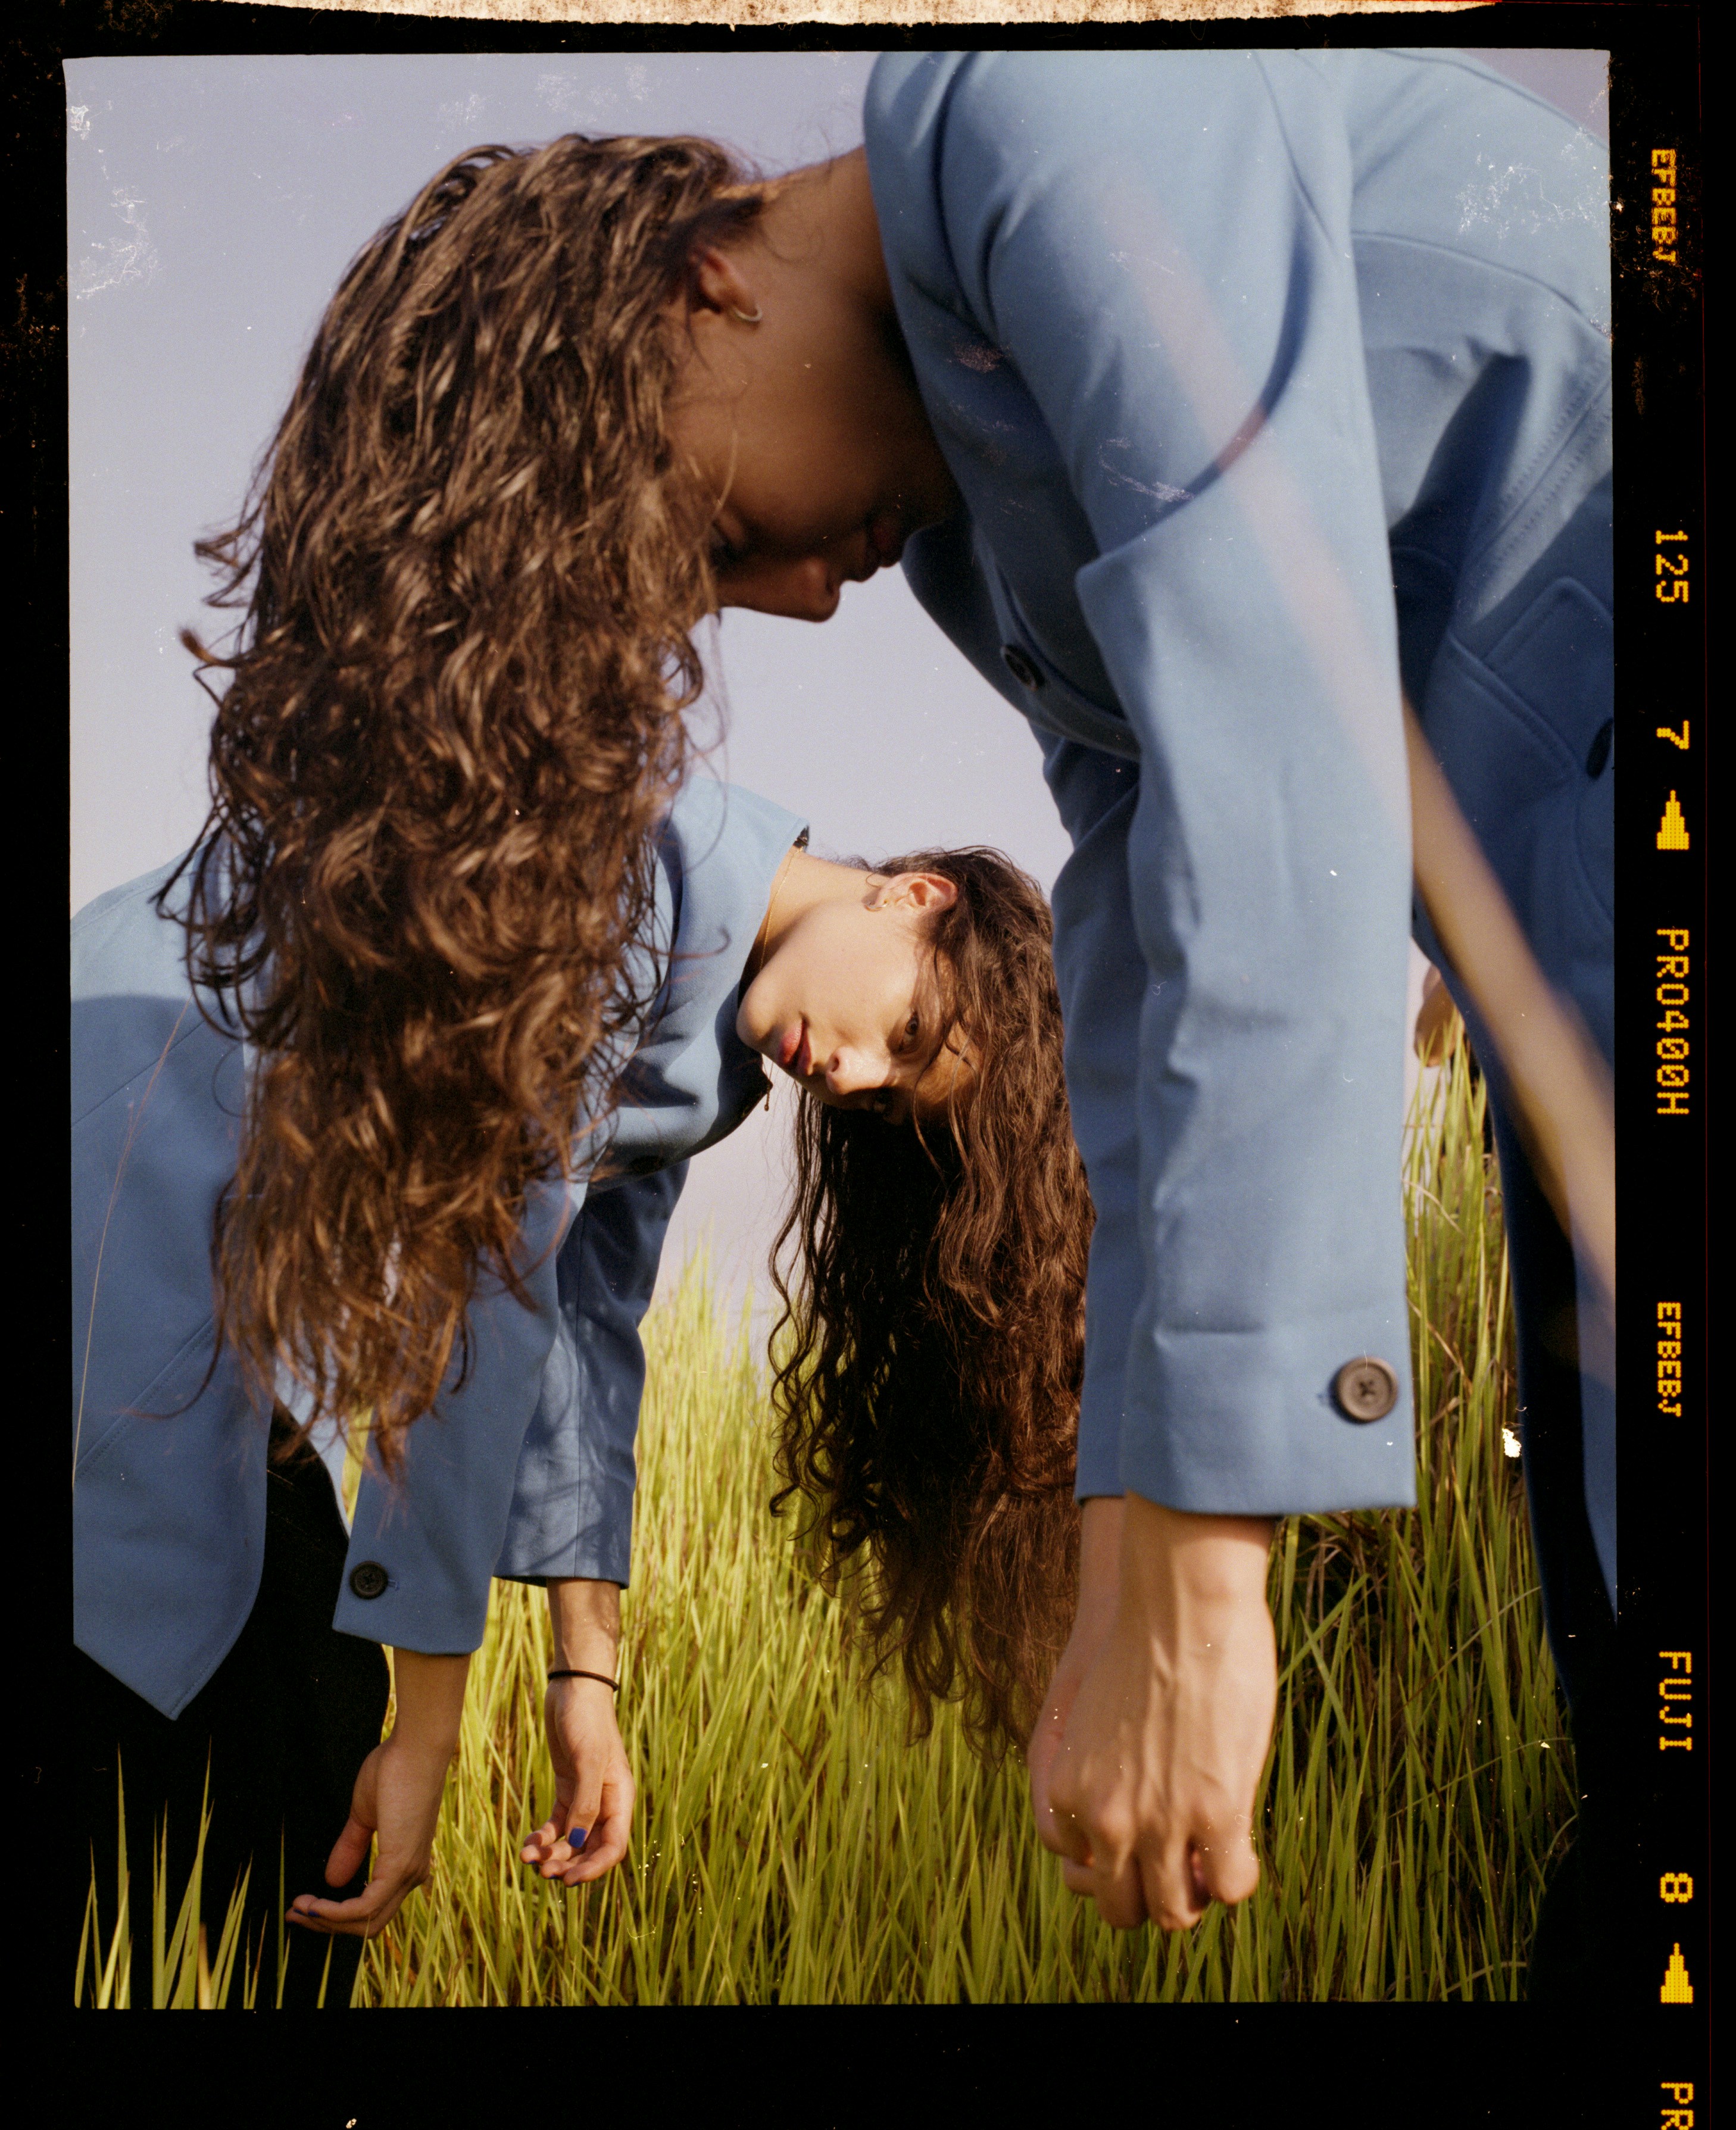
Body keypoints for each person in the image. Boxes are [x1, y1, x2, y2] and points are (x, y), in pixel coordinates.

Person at [659, 50, 1612, 1986]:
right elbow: (1139, 898)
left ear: (701, 288)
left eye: (700, 531)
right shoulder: (958, 515)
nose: (788, 602)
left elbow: (1277, 761)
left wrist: (1196, 1551)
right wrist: (1120, 1528)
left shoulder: (1029, 94)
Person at [73, 769, 1088, 2006]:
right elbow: (482, 1275)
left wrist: (585, 1677)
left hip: (233, 1269)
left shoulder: (704, 1021)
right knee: (252, 1758)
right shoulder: (623, 866)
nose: (857, 1076)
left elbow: (588, 1318)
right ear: (916, 898)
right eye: (906, 1036)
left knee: (263, 1776)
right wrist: (429, 1724)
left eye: (891, 1093)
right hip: (139, 1151)